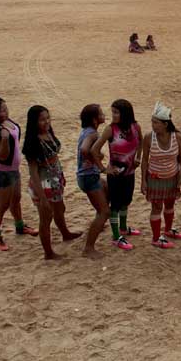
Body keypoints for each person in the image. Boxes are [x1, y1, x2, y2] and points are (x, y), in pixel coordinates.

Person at [22, 105, 82, 259]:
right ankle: (48, 252)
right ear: (34, 122)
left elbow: (55, 160)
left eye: (48, 118)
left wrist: (60, 178)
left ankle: (65, 233)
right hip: (43, 185)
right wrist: (42, 197)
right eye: (42, 120)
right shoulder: (32, 143)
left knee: (60, 208)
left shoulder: (48, 134)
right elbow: (33, 173)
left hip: (54, 180)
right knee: (46, 219)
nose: (46, 122)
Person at [0, 97, 38, 251]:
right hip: (2, 173)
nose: (5, 112)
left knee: (16, 199)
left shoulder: (7, 122)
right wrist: (5, 139)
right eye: (1, 110)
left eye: (6, 108)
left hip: (14, 170)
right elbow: (1, 155)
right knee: (2, 206)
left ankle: (20, 226)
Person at [91, 99, 144, 251]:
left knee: (126, 201)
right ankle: (116, 237)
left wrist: (138, 157)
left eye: (116, 112)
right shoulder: (110, 130)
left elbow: (140, 141)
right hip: (115, 175)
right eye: (112, 112)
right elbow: (94, 150)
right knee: (115, 205)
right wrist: (103, 169)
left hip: (129, 173)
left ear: (125, 114)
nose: (113, 115)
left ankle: (123, 228)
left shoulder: (135, 126)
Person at [140, 102, 181, 249]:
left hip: (172, 177)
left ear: (165, 124)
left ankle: (167, 230)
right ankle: (155, 238)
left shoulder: (177, 137)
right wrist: (143, 181)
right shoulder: (148, 137)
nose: (153, 125)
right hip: (155, 178)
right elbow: (145, 160)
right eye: (152, 122)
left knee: (170, 204)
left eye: (156, 122)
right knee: (156, 208)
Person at [77, 104, 111, 259]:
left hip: (87, 176)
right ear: (94, 119)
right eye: (101, 113)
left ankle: (98, 224)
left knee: (106, 188)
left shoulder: (88, 132)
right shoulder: (93, 134)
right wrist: (98, 162)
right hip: (89, 177)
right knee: (104, 212)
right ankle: (88, 248)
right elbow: (85, 150)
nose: (104, 115)